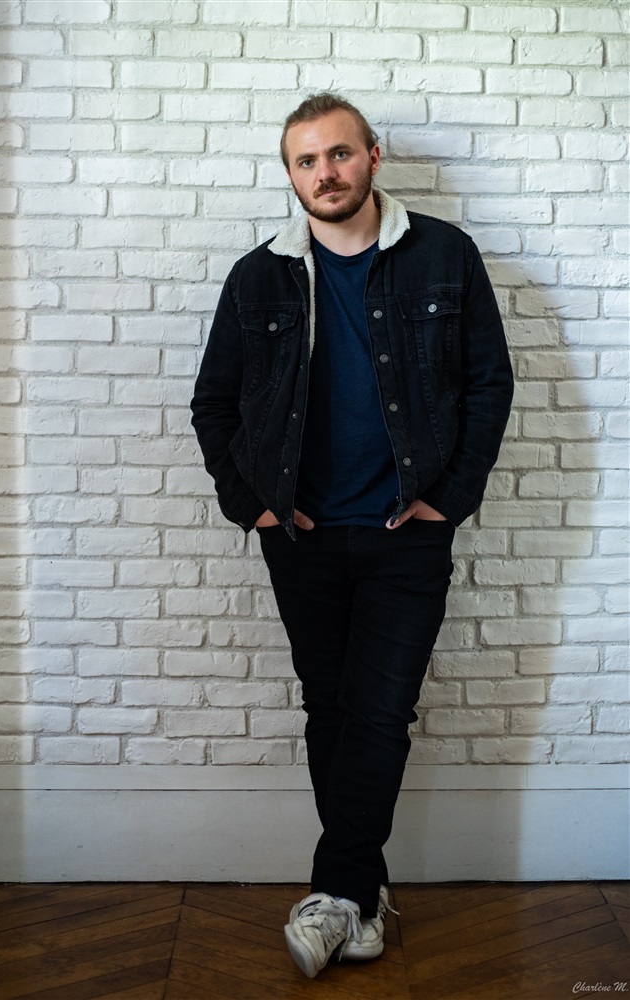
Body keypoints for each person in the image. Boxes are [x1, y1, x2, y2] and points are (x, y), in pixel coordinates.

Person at [191, 93, 513, 979]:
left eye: (338, 153)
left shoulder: (443, 255)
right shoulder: (257, 277)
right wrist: (251, 505)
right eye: (306, 160)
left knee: (378, 709)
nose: (324, 173)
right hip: (299, 535)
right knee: (329, 708)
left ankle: (334, 892)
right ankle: (362, 899)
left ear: (372, 157)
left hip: (406, 530)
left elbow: (488, 383)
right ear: (290, 175)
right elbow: (213, 405)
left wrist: (450, 498)